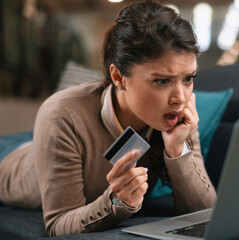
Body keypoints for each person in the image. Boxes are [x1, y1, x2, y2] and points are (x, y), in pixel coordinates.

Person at [0, 0, 216, 236]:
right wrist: (115, 202)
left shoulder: (177, 115)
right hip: (13, 159)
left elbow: (205, 213)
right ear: (118, 77)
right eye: (162, 81)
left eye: (188, 78)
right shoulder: (60, 114)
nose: (180, 98)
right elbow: (58, 225)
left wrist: (178, 150)